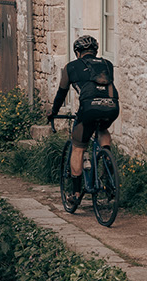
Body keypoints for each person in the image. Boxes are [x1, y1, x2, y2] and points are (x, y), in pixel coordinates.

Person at [46, 35, 119, 201]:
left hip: (89, 109)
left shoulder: (71, 67)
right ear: (95, 51)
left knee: (78, 146)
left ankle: (76, 193)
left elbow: (61, 93)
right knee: (102, 128)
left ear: (77, 52)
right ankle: (107, 160)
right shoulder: (107, 64)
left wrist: (53, 111)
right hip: (112, 107)